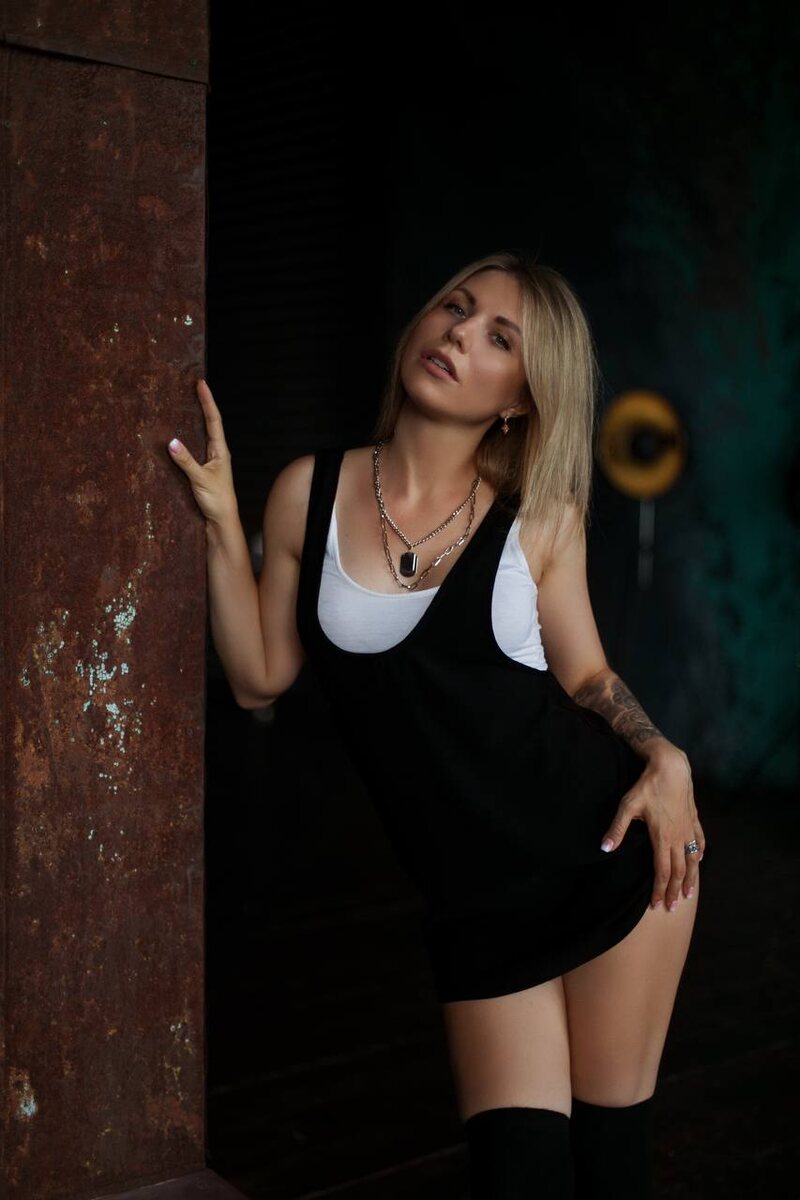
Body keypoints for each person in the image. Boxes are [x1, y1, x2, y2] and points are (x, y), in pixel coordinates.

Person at [168, 250, 705, 1198]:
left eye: (499, 337)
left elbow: (587, 675)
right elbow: (256, 680)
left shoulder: (540, 517)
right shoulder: (307, 493)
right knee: (518, 1177)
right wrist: (218, 521)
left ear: (521, 400)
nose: (459, 333)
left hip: (610, 860)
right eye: (455, 308)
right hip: (476, 905)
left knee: (608, 1168)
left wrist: (662, 753)